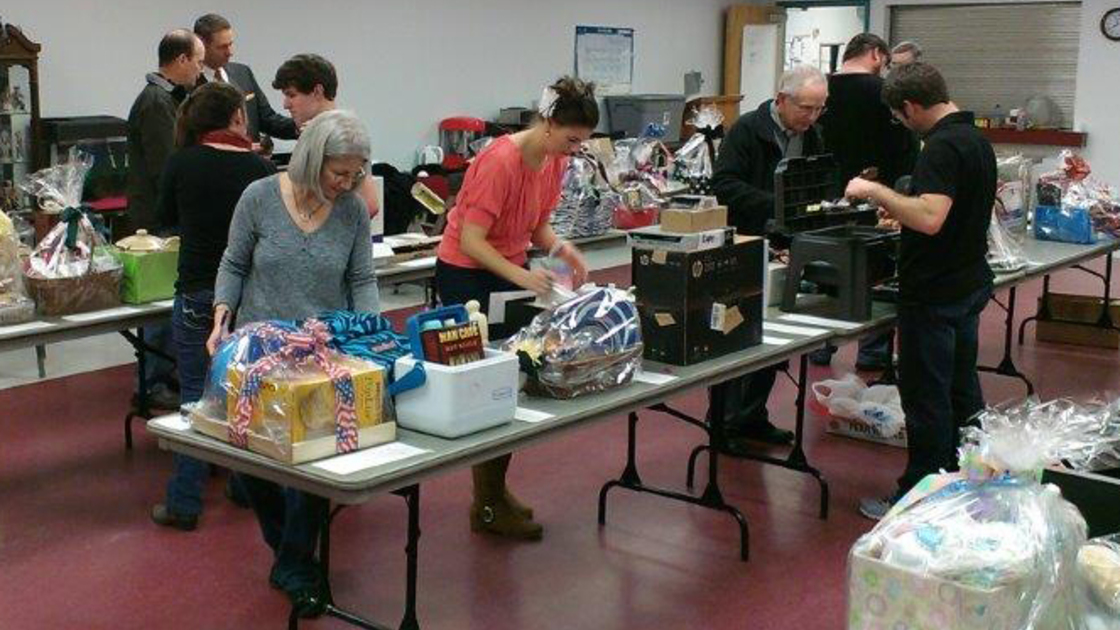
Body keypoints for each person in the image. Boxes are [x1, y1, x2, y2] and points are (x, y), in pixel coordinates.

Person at [208, 110, 377, 617]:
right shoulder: (258, 198)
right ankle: (291, 553)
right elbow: (234, 262)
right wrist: (221, 319)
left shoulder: (350, 212)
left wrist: (368, 334)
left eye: (356, 174)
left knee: (314, 467)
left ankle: (296, 565)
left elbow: (362, 278)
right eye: (338, 173)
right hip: (259, 352)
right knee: (255, 461)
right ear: (310, 160)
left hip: (323, 352)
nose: (348, 185)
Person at [435, 76, 595, 541]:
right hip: (466, 273)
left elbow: (538, 227)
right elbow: (470, 240)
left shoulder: (552, 162)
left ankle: (494, 490)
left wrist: (564, 250)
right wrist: (523, 276)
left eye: (582, 143)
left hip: (507, 268)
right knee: (487, 384)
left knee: (513, 380)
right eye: (571, 140)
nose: (575, 150)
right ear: (548, 124)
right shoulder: (500, 161)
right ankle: (485, 503)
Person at [844, 63, 995, 520]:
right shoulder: (976, 139)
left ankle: (919, 494)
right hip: (967, 283)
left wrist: (874, 191)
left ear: (909, 107)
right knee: (961, 388)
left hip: (935, 293)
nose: (900, 124)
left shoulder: (942, 147)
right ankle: (966, 478)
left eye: (899, 116)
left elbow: (930, 217)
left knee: (926, 397)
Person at [149, 82, 277, 531]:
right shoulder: (260, 170)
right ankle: (244, 487)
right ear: (236, 120)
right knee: (240, 392)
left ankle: (185, 502)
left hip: (197, 291)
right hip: (244, 296)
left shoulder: (181, 162)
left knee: (193, 398)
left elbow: (162, 218)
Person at [709, 65, 829, 454]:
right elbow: (724, 185)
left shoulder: (812, 135)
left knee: (772, 340)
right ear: (781, 100)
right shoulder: (747, 130)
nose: (811, 117)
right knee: (733, 334)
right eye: (806, 108)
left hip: (785, 244)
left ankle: (752, 416)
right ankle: (722, 423)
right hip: (742, 244)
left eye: (819, 109)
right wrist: (778, 206)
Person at [811, 33, 919, 371]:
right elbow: (907, 149)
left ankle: (820, 344)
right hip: (879, 195)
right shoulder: (885, 94)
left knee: (825, 264)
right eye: (886, 63)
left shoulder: (818, 92)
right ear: (876, 55)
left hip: (825, 195)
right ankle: (872, 350)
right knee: (878, 272)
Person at [126, 28, 204, 411]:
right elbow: (164, 166)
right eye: (199, 61)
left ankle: (160, 376)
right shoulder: (157, 103)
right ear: (182, 61)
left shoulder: (167, 99)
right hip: (158, 219)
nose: (201, 71)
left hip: (163, 214)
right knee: (158, 307)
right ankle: (152, 382)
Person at [271, 54, 380, 218]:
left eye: (291, 95)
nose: (285, 104)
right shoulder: (310, 133)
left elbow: (369, 206)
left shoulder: (346, 136)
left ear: (317, 91)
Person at [192, 13, 298, 145]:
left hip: (250, 162)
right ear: (201, 44)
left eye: (231, 44)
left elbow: (268, 119)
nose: (230, 52)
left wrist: (300, 129)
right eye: (222, 47)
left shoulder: (242, 73)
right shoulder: (190, 85)